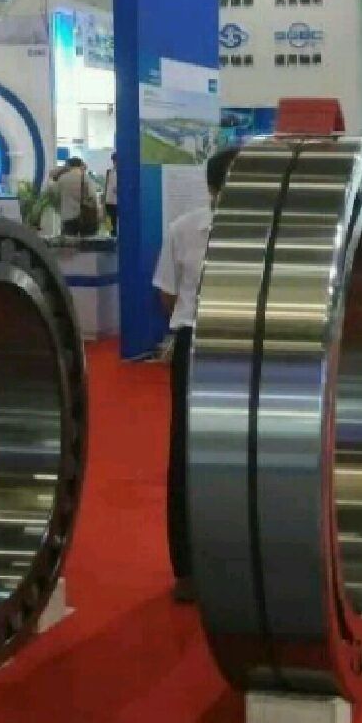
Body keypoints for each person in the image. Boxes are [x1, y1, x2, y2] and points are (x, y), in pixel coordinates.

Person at [153, 146, 239, 603]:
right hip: (196, 343)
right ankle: (186, 567)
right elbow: (167, 294)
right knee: (186, 453)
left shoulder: (264, 232)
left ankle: (240, 560)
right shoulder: (183, 230)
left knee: (242, 451)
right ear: (213, 188)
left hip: (246, 347)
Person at [49, 157, 100, 236]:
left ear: (68, 165)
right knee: (86, 241)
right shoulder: (86, 178)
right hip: (85, 216)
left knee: (69, 240)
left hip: (68, 216)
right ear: (80, 165)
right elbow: (92, 196)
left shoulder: (63, 178)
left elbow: (54, 192)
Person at [105, 153, 118, 237]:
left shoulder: (125, 172)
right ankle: (111, 235)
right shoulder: (109, 171)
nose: (115, 162)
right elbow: (107, 185)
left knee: (117, 221)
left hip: (118, 201)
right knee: (109, 219)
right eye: (114, 160)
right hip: (109, 200)